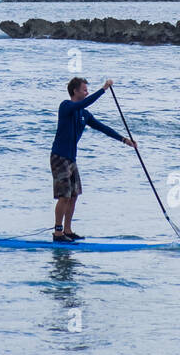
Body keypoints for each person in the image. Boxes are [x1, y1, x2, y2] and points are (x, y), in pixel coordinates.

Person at [50, 77, 136, 243]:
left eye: (87, 90)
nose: (86, 92)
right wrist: (103, 89)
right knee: (64, 196)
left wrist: (124, 140)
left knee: (74, 195)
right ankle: (58, 232)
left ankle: (68, 230)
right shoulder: (66, 106)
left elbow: (102, 128)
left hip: (71, 159)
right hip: (59, 157)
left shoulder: (84, 115)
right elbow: (82, 103)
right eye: (84, 90)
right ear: (75, 91)